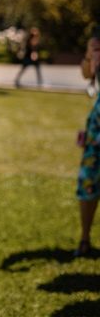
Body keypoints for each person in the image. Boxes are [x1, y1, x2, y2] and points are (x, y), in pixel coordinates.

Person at [75, 27, 100, 257]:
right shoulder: (93, 59)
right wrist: (90, 54)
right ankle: (84, 238)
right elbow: (86, 74)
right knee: (88, 184)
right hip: (96, 129)